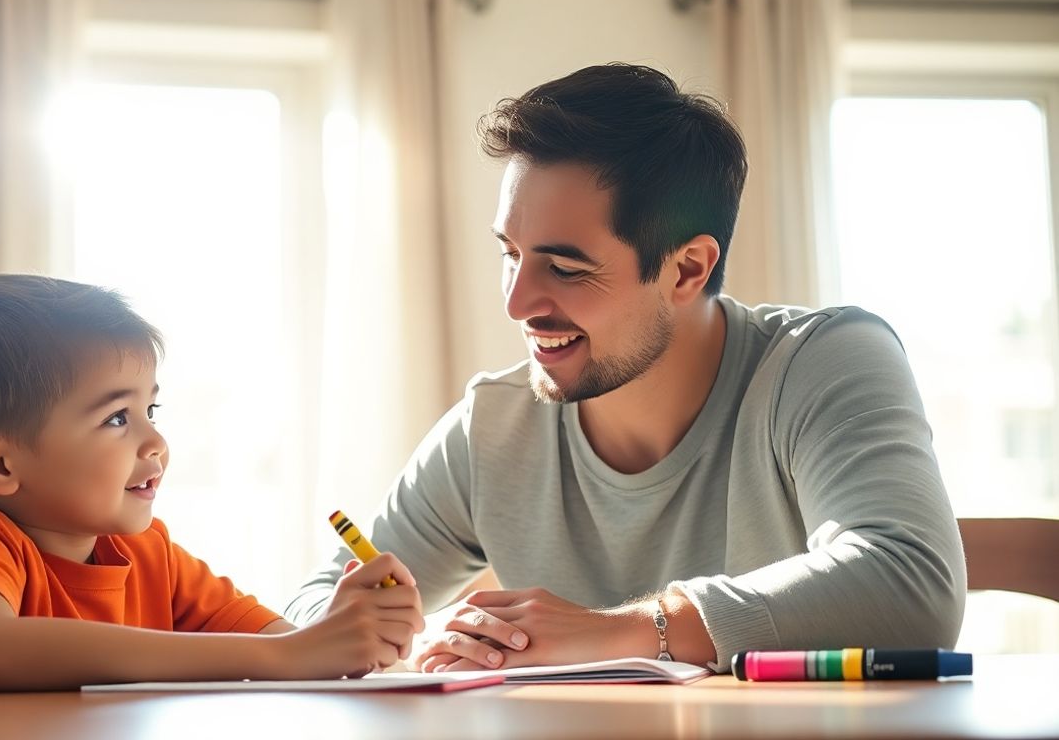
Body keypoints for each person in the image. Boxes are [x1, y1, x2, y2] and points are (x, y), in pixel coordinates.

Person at [285, 63, 966, 673]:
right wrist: (432, 633)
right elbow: (317, 603)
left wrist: (625, 632)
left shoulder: (823, 361)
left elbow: (910, 584)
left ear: (686, 269)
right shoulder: (493, 428)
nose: (518, 302)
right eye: (510, 254)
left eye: (564, 266)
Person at [0, 272, 422, 691]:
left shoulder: (150, 553)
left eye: (151, 409)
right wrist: (285, 656)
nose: (156, 442)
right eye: (117, 417)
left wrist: (346, 634)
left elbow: (292, 648)